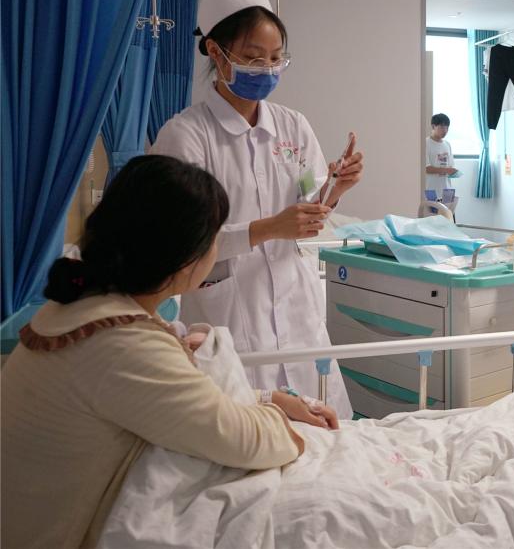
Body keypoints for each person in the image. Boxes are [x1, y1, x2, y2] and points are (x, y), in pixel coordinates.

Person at [0, 155, 337, 549]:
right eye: (214, 238)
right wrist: (285, 425)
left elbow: (173, 398)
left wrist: (270, 398)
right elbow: (244, 440)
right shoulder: (122, 342)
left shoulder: (81, 306)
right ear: (182, 257)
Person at [152, 0, 361, 418]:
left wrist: (335, 189)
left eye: (275, 58)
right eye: (252, 57)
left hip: (296, 305)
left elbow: (310, 200)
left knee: (325, 429)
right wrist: (267, 229)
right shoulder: (186, 135)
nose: (266, 69)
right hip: (229, 311)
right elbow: (179, 242)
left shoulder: (293, 126)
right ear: (216, 52)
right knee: (245, 426)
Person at [425, 112, 457, 197]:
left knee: (448, 206)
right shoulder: (425, 143)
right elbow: (426, 168)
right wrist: (446, 170)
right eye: (442, 127)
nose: (445, 130)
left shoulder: (447, 144)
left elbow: (451, 166)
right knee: (431, 206)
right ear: (433, 126)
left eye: (447, 127)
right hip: (430, 190)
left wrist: (453, 171)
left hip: (447, 189)